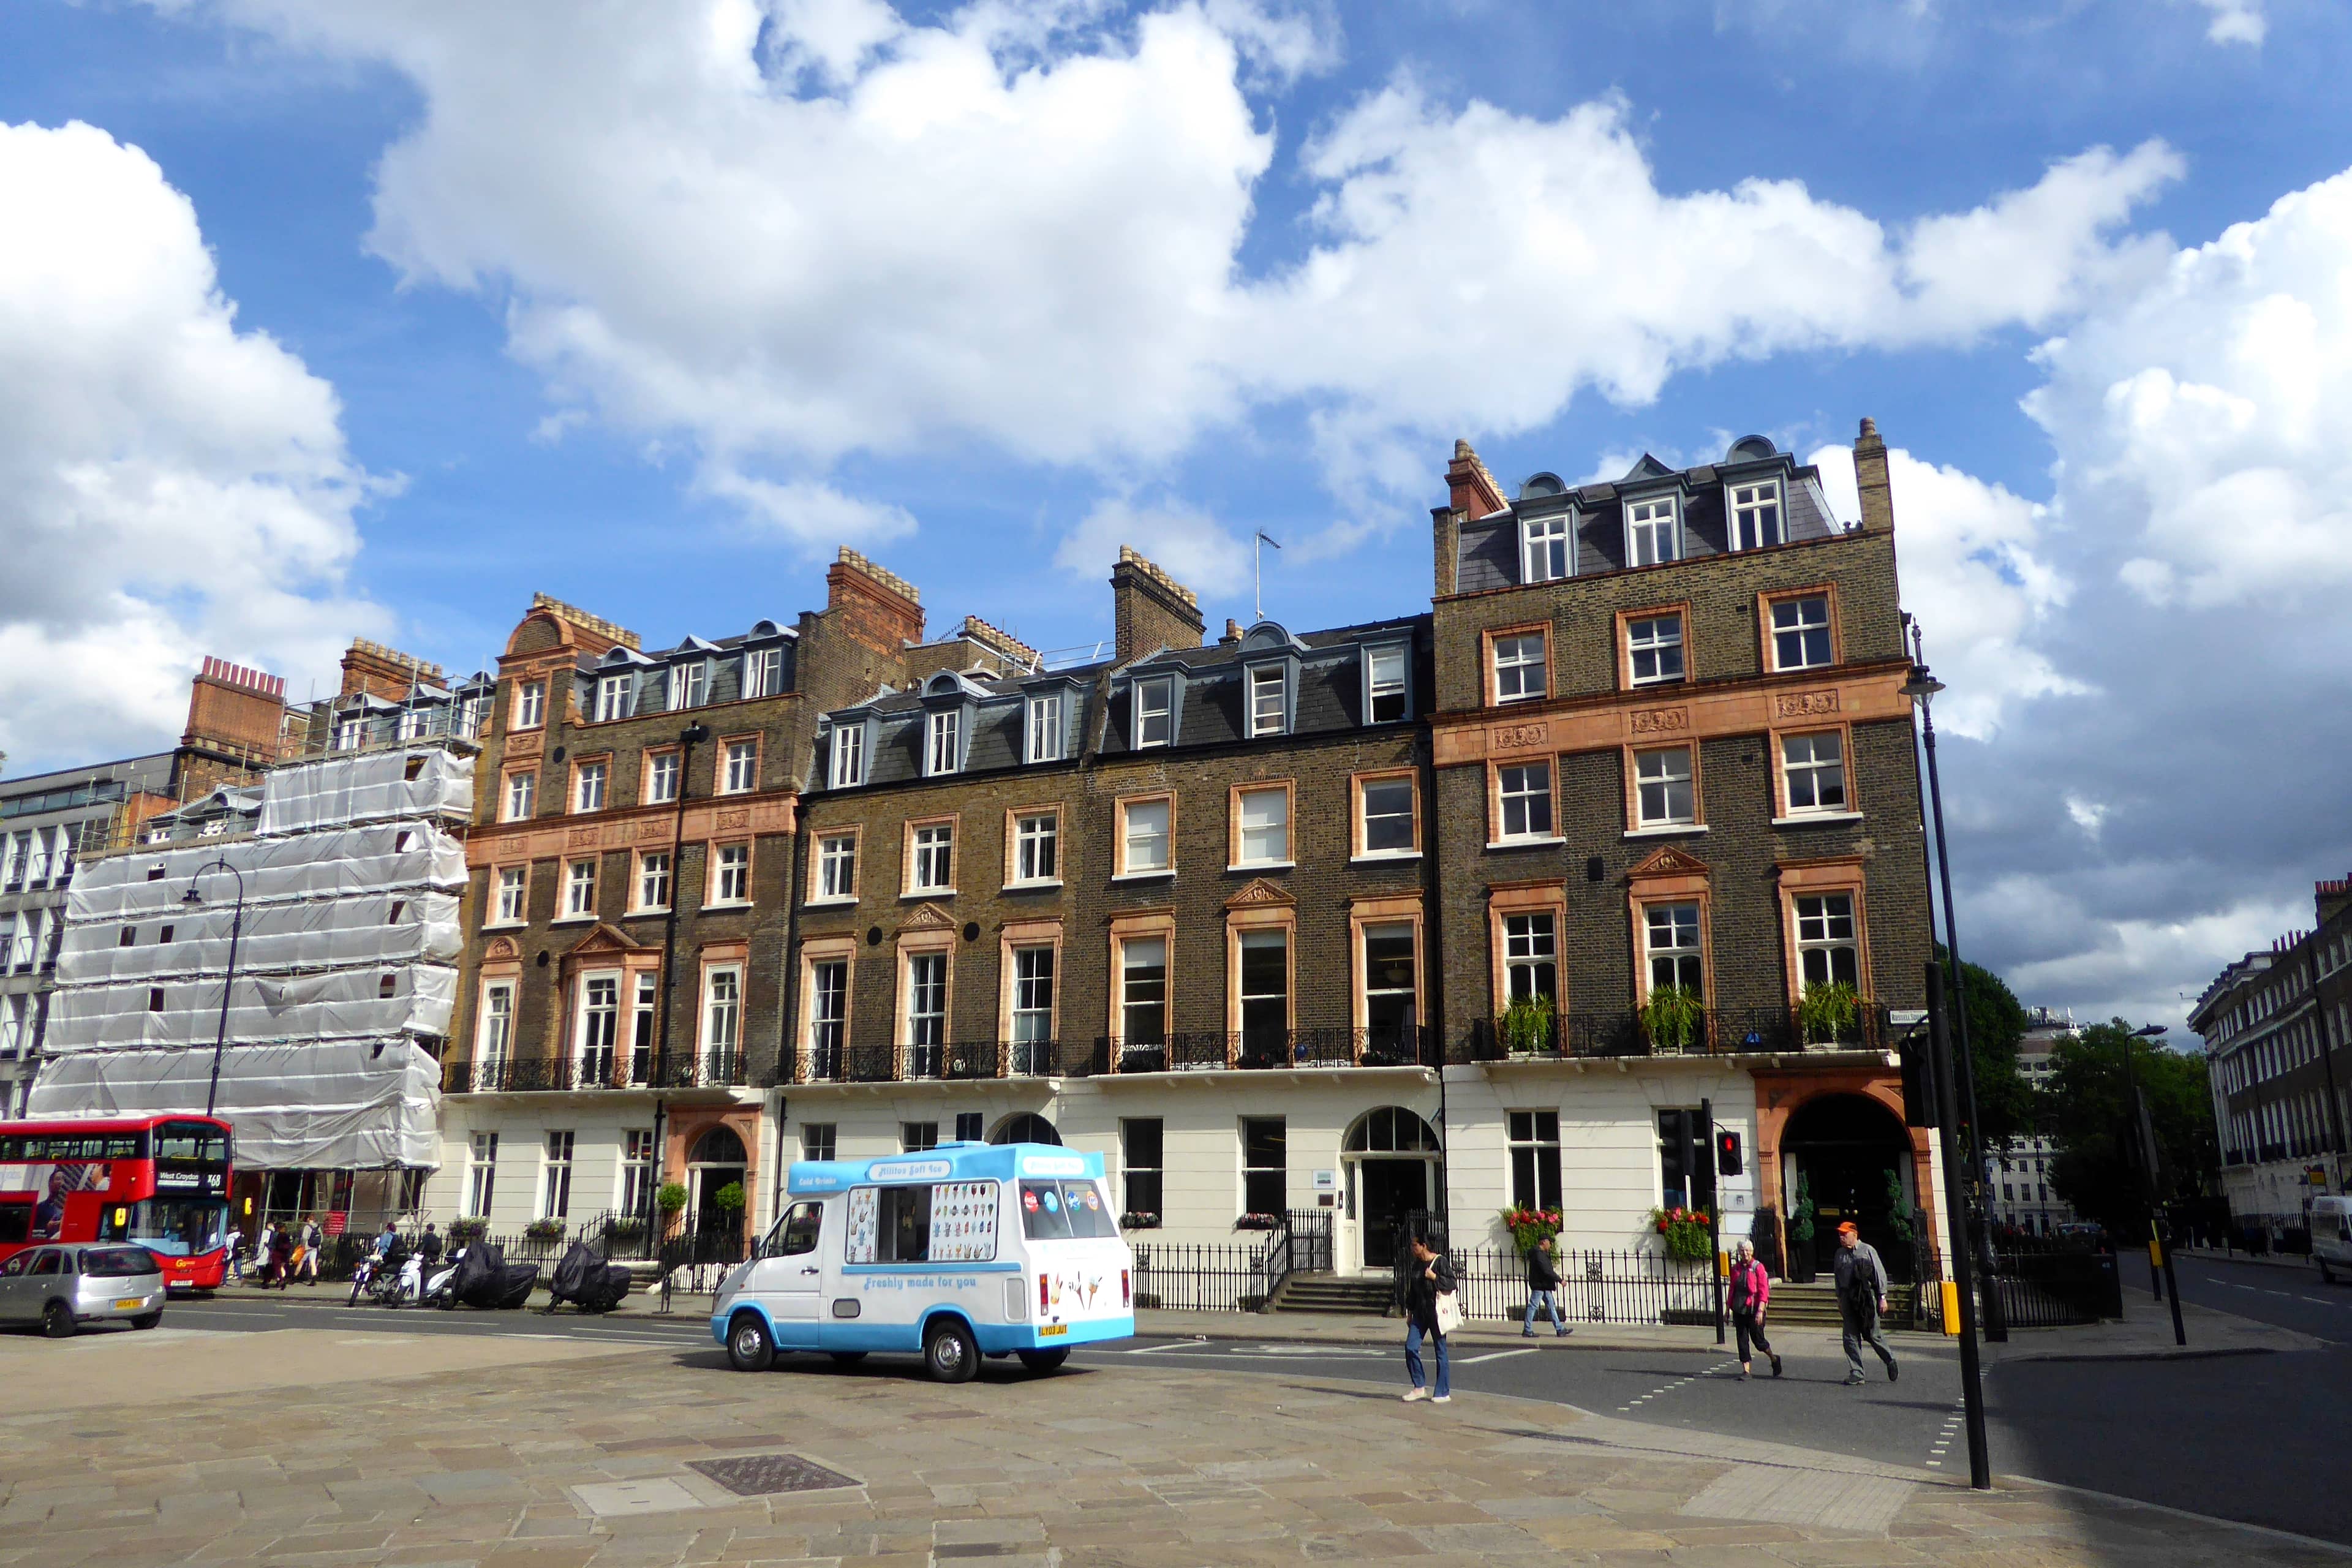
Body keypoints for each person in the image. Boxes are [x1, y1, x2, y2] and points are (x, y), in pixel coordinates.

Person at [1832, 1221, 1898, 1385]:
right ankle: (1857, 1372)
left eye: (1844, 1234)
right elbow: (1838, 1278)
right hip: (1848, 1298)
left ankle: (1889, 1359)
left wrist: (1883, 1298)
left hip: (1866, 1297)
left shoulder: (1867, 1251)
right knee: (1850, 1336)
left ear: (1854, 1234)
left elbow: (1879, 1274)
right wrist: (1839, 1299)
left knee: (1872, 1334)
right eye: (1840, 1234)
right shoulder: (1839, 1254)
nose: (1841, 1237)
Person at [1397, 1234, 1455, 1404]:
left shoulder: (1440, 1261)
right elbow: (1413, 1290)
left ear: (1424, 1245)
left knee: (1440, 1351)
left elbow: (1451, 1283)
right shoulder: (1417, 1264)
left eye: (1414, 1245)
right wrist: (1410, 1312)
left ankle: (1443, 1392)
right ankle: (1419, 1387)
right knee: (1410, 1347)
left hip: (1436, 1313)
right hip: (1420, 1313)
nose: (1412, 1248)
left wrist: (1435, 1278)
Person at [1727, 1238, 1781, 1381]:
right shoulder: (1736, 1269)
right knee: (1742, 1340)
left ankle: (1774, 1358)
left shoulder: (1758, 1267)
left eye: (1747, 1250)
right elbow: (1732, 1288)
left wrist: (1761, 1310)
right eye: (1742, 1251)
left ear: (1752, 1251)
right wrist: (1728, 1308)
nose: (1744, 1253)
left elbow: (1764, 1290)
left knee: (1759, 1341)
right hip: (1740, 1309)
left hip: (1754, 1309)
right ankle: (1746, 1371)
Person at [1521, 1235, 1570, 1338]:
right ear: (1544, 1242)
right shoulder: (1539, 1255)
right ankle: (1527, 1329)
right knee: (1533, 1306)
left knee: (1551, 1307)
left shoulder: (1541, 1254)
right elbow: (1547, 1271)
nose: (1550, 1245)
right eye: (1549, 1242)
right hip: (1540, 1285)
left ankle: (1560, 1329)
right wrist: (1560, 1280)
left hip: (1544, 1285)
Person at [296, 1217, 323, 1284]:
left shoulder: (307, 1227)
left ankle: (295, 1276)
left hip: (307, 1247)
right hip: (315, 1248)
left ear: (308, 1219)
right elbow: (321, 1238)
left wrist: (302, 1246)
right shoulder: (318, 1227)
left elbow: (304, 1238)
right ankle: (314, 1278)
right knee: (313, 1263)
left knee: (301, 1261)